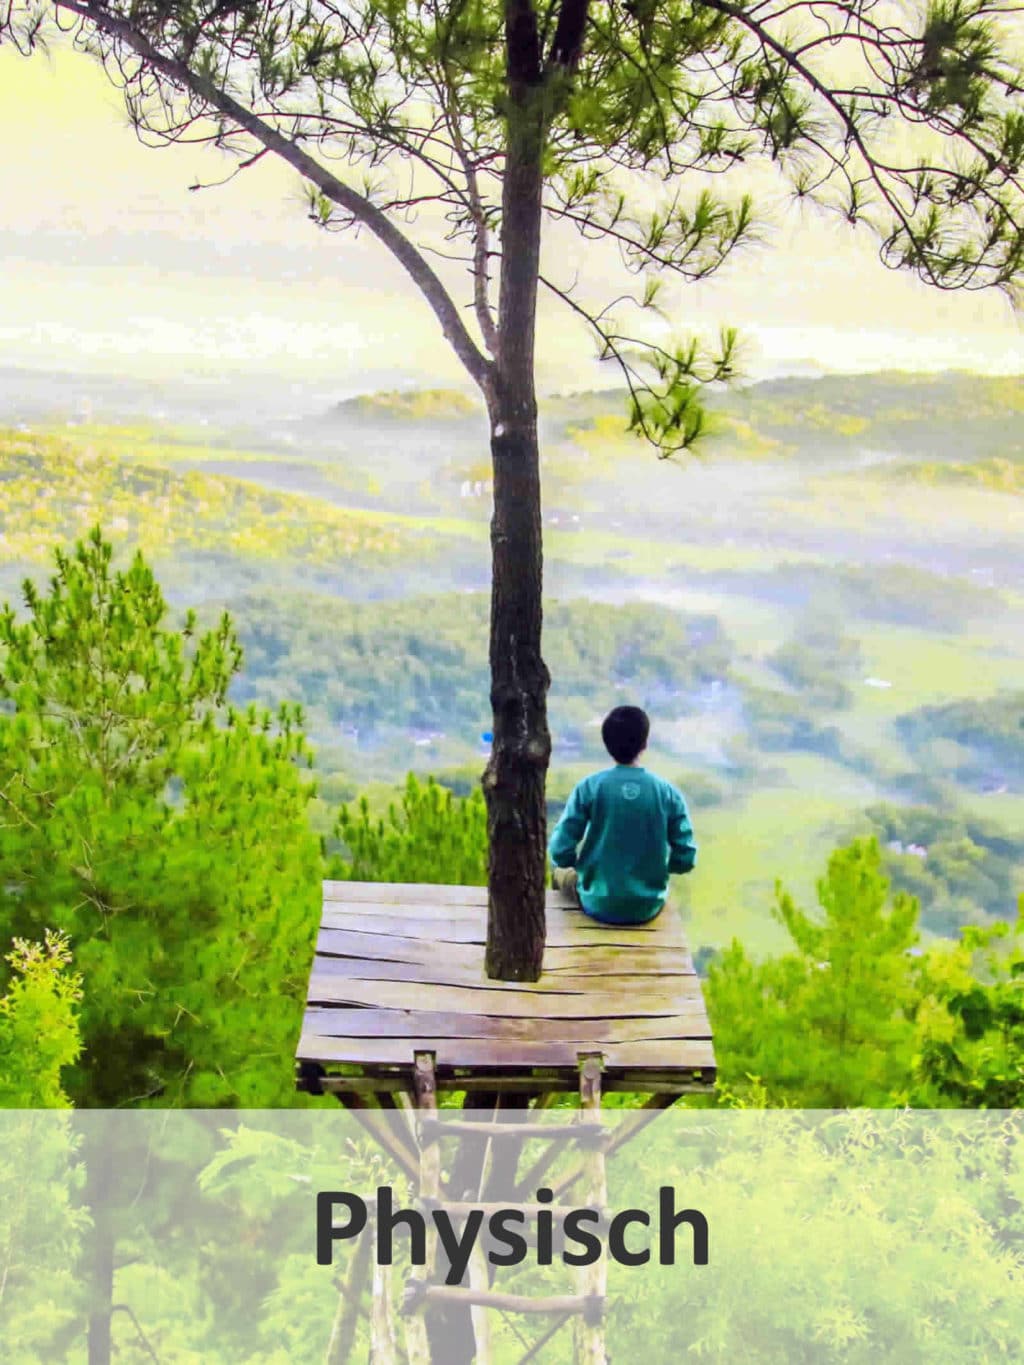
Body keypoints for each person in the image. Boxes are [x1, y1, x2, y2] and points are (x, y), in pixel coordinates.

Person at [548, 705, 696, 924]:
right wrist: (657, 870)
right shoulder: (668, 793)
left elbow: (559, 851)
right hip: (647, 906)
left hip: (596, 903)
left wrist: (580, 868)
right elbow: (686, 858)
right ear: (644, 743)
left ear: (607, 744)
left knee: (558, 872)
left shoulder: (589, 787)